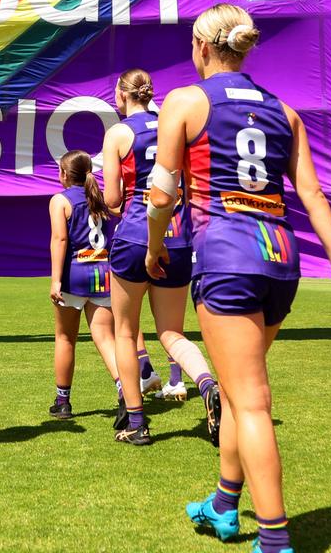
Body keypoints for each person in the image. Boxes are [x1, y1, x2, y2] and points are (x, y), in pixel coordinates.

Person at [146, 4, 331, 552]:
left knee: (249, 400)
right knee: (234, 386)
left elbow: (159, 195)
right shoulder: (284, 111)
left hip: (227, 256)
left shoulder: (183, 101)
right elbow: (313, 195)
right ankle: (224, 503)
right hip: (281, 257)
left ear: (202, 47)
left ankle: (274, 537)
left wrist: (155, 250)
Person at [103, 68, 221, 446]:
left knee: (124, 330)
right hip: (179, 237)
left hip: (136, 236)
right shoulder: (175, 125)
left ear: (122, 95)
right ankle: (206, 384)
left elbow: (112, 201)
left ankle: (137, 422)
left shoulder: (119, 133)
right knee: (172, 333)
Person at [48, 150, 121, 418]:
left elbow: (60, 240)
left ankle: (63, 401)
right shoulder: (98, 199)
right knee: (105, 338)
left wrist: (55, 280)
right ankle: (126, 392)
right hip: (103, 273)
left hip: (74, 274)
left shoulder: (60, 200)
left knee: (66, 337)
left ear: (65, 175)